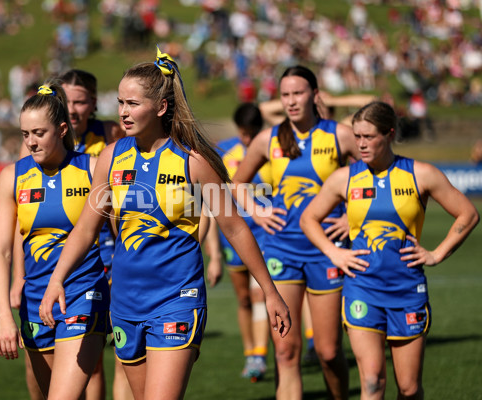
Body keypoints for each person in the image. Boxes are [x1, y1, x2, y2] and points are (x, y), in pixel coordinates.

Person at [39, 48, 291, 400]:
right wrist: (56, 280)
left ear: (160, 107)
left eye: (133, 103)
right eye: (121, 103)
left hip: (177, 298)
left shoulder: (194, 162)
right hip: (125, 302)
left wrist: (270, 291)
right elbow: (85, 229)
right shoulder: (111, 156)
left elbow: (235, 228)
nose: (123, 112)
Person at [300, 101, 479, 399]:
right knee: (372, 381)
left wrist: (436, 254)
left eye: (369, 137)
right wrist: (334, 253)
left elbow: (468, 214)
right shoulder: (345, 178)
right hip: (362, 289)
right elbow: (309, 219)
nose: (361, 144)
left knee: (408, 389)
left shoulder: (421, 174)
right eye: (357, 137)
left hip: (407, 290)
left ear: (390, 134)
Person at [232, 65, 361, 400]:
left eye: (298, 93)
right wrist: (259, 213)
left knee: (329, 352)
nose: (291, 101)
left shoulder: (340, 135)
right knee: (286, 352)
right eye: (285, 94)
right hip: (281, 252)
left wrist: (351, 217)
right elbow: (238, 184)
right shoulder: (268, 139)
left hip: (327, 251)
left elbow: (374, 177)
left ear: (315, 95)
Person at [8, 69, 127, 400]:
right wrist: (18, 277)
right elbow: (22, 223)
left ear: (93, 103)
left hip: (94, 269)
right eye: (68, 101)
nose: (73, 109)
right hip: (41, 278)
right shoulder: (27, 160)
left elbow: (116, 219)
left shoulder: (109, 140)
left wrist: (122, 264)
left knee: (96, 364)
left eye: (80, 101)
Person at [203, 102, 271, 381]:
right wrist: (215, 256)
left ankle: (260, 355)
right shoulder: (224, 151)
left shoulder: (271, 151)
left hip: (265, 238)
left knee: (259, 295)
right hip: (231, 239)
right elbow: (209, 200)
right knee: (243, 299)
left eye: (251, 133)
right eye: (243, 133)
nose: (246, 139)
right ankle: (249, 353)